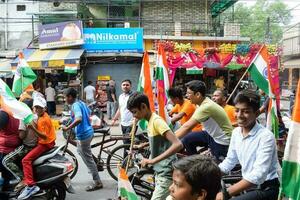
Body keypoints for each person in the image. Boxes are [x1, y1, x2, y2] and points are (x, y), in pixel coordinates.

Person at [217, 90, 280, 200]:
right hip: (247, 183)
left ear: (256, 114)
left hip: (266, 188)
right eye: (237, 110)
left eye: (245, 111)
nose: (239, 115)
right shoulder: (236, 132)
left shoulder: (266, 137)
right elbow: (230, 161)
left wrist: (226, 193)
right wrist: (209, 175)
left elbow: (258, 175)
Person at [127, 92, 183, 200]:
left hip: (166, 172)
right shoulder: (149, 121)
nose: (134, 116)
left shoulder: (156, 121)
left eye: (134, 112)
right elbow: (161, 141)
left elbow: (177, 144)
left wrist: (152, 161)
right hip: (159, 171)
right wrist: (144, 145)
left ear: (143, 106)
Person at [175, 80, 233, 161]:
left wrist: (169, 140)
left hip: (222, 140)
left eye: (189, 93)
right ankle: (194, 162)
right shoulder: (202, 103)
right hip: (211, 135)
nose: (186, 96)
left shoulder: (206, 107)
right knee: (188, 139)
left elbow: (187, 127)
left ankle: (198, 165)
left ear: (198, 94)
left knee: (217, 167)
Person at [62, 88, 103, 191]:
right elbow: (87, 114)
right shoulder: (81, 103)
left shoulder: (75, 106)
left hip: (84, 135)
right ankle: (95, 163)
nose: (64, 99)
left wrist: (68, 127)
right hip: (89, 132)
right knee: (84, 152)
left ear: (70, 97)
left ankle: (97, 182)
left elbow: (79, 118)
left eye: (65, 97)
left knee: (88, 160)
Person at [18, 97, 56, 199]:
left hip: (45, 144)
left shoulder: (44, 119)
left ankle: (31, 185)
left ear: (45, 108)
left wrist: (32, 128)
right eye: (36, 107)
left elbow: (44, 136)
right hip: (46, 142)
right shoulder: (40, 116)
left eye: (40, 108)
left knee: (25, 160)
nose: (38, 109)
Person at [2, 99, 38, 192]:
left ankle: (23, 179)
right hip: (35, 145)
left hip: (25, 146)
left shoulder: (23, 118)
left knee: (6, 161)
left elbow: (21, 136)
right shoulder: (36, 117)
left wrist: (20, 133)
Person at [0, 110, 21, 188]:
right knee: (7, 176)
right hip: (14, 148)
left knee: (6, 173)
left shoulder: (4, 113)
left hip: (4, 150)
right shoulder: (19, 113)